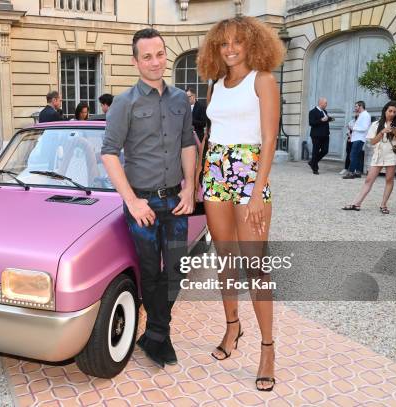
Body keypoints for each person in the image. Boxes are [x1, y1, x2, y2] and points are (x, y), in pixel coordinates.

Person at [196, 15, 284, 391]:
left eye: (237, 42)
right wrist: (201, 175)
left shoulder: (262, 80)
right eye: (223, 43)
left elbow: (268, 140)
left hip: (249, 175)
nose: (230, 49)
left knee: (255, 266)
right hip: (215, 173)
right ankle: (233, 328)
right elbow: (213, 134)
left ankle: (268, 348)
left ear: (252, 44)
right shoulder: (216, 84)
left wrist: (257, 193)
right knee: (225, 258)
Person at [101, 28, 195, 369]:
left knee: (176, 269)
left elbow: (188, 143)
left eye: (160, 54)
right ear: (135, 61)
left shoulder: (180, 100)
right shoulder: (125, 103)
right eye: (147, 56)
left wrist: (189, 186)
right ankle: (159, 334)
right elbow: (109, 153)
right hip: (142, 203)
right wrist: (131, 201)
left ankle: (155, 332)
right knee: (150, 273)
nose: (156, 62)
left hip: (176, 201)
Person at [342, 101, 396, 214]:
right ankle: (356, 203)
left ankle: (383, 205)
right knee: (369, 179)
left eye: (395, 112)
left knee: (389, 179)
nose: (392, 114)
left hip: (392, 155)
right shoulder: (376, 124)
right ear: (385, 110)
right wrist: (382, 132)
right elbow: (372, 142)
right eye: (390, 111)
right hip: (378, 155)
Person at [343, 101, 371, 179]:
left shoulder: (365, 115)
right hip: (357, 138)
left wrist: (353, 128)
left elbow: (365, 128)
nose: (355, 108)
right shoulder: (362, 115)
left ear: (360, 106)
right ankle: (358, 172)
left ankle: (351, 173)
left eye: (356, 106)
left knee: (353, 155)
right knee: (357, 155)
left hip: (360, 138)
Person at [308, 97, 333, 174]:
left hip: (325, 135)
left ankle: (312, 162)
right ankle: (315, 168)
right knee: (315, 151)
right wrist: (321, 120)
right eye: (325, 103)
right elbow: (311, 123)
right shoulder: (313, 111)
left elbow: (325, 120)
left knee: (325, 150)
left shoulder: (324, 111)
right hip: (316, 135)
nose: (326, 104)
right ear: (321, 103)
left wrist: (329, 119)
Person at [340, 111, 358, 176]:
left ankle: (354, 169)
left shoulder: (361, 123)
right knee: (348, 154)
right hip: (350, 140)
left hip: (357, 140)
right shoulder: (351, 121)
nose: (357, 115)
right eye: (356, 114)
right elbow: (347, 130)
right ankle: (345, 168)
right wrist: (350, 136)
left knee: (355, 155)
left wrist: (352, 130)